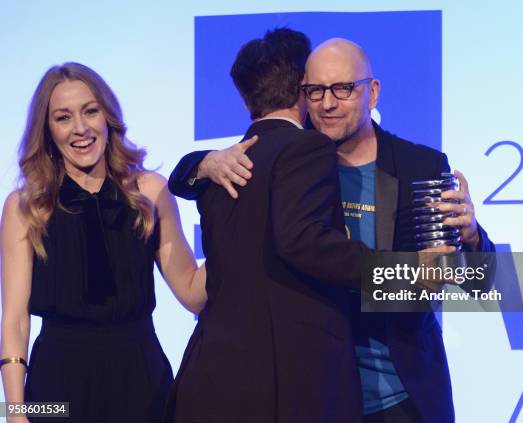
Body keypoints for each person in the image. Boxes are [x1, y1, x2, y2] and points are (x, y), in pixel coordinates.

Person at [172, 38, 496, 423]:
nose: (327, 103)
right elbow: (187, 178)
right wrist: (203, 163)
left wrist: (473, 237)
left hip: (398, 393)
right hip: (310, 391)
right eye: (316, 91)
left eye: (343, 89)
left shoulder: (419, 166)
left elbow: (477, 282)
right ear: (301, 94)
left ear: (372, 92)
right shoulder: (285, 161)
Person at [166, 29, 370, 423]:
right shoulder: (308, 148)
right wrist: (392, 271)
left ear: (245, 99)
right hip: (291, 382)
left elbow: (184, 178)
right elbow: (303, 242)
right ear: (302, 89)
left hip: (214, 379)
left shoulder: (218, 167)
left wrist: (199, 163)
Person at [0, 62, 207, 423]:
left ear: (108, 116)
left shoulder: (150, 192)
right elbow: (15, 320)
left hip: (141, 384)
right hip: (55, 390)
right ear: (47, 130)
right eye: (63, 118)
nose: (80, 129)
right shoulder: (25, 206)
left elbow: (191, 291)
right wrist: (16, 413)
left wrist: (239, 233)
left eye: (90, 111)